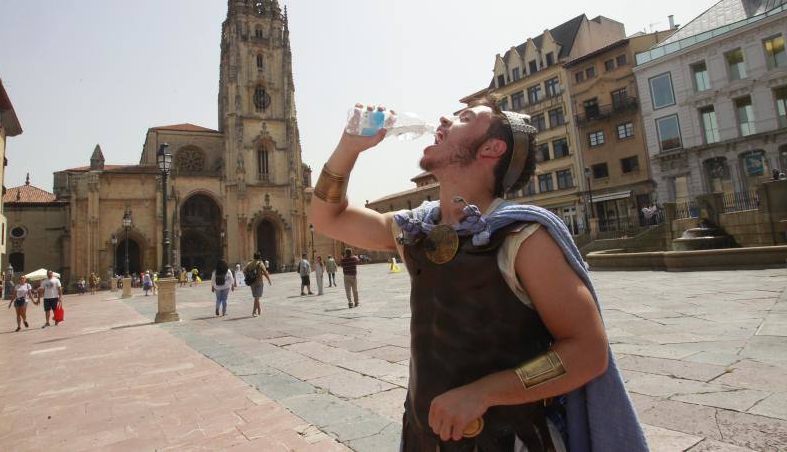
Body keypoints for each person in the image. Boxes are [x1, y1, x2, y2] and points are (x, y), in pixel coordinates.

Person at [309, 102, 647, 450]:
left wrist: (484, 393)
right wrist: (348, 146)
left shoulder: (522, 236)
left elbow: (588, 352)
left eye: (465, 118)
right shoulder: (417, 231)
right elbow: (328, 219)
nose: (444, 118)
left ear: (492, 148)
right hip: (424, 440)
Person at [245, 252, 272, 317]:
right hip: (259, 281)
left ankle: (259, 309)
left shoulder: (249, 263)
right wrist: (269, 280)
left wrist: (248, 276)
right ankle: (254, 312)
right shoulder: (260, 263)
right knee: (257, 297)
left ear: (254, 257)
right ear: (259, 257)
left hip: (252, 282)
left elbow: (244, 271)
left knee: (256, 297)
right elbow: (265, 272)